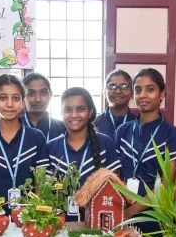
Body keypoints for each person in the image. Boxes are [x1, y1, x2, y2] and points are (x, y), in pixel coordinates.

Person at [116, 68, 176, 234]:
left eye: (150, 89)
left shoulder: (171, 133)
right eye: (138, 90)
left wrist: (132, 211)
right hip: (121, 210)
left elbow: (166, 183)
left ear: (162, 94)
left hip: (154, 215)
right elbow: (115, 174)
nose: (143, 95)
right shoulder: (123, 130)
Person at [0, 74, 49, 211]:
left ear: (22, 102)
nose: (9, 104)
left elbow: (40, 187)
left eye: (15, 98)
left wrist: (37, 217)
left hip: (27, 217)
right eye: (3, 98)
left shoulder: (36, 138)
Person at [47, 87, 121, 219]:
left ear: (90, 112)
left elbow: (115, 188)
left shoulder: (105, 143)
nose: (74, 115)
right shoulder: (51, 147)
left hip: (96, 223)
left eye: (80, 109)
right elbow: (45, 191)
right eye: (68, 110)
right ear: (61, 113)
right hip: (58, 223)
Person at [22, 73, 66, 142]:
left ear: (51, 95)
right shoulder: (13, 126)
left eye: (43, 93)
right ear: (22, 97)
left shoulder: (63, 128)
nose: (38, 99)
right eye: (31, 94)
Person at [95, 69, 137, 140]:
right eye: (112, 87)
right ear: (105, 92)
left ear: (132, 92)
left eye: (123, 87)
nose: (117, 91)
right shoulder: (94, 124)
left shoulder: (140, 123)